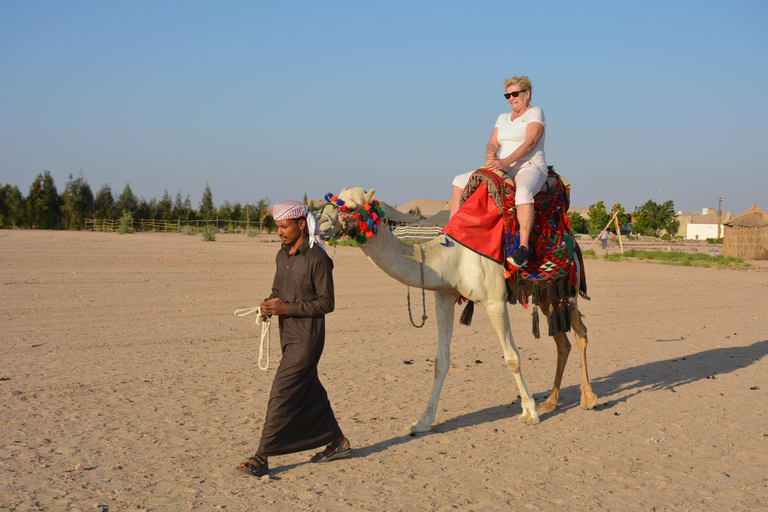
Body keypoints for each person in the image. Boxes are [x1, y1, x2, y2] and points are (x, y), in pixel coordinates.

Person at [235, 200, 351, 477]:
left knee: (282, 392)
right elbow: (278, 290)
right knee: (310, 391)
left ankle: (261, 457)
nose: (280, 232)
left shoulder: (318, 259)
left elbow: (327, 303)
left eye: (284, 226)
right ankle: (339, 442)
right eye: (277, 227)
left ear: (301, 224)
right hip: (286, 336)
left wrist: (286, 308)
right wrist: (268, 307)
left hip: (308, 340)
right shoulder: (281, 255)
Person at [449, 76, 548, 269]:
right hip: (503, 165)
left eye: (515, 94)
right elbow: (493, 142)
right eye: (507, 95)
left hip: (529, 165)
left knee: (522, 192)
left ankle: (523, 248)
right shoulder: (502, 118)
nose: (511, 98)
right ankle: (451, 234)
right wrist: (490, 154)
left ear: (527, 94)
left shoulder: (536, 112)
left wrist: (504, 161)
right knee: (459, 181)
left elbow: (530, 142)